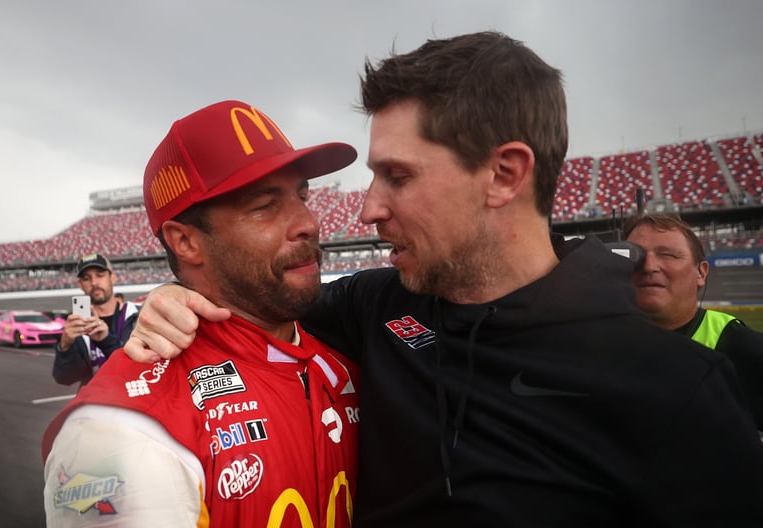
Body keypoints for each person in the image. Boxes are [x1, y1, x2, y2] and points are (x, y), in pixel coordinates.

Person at [125, 32, 763, 526]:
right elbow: (256, 293)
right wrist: (178, 290)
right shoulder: (376, 306)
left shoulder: (675, 392)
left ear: (505, 175)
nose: (368, 208)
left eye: (397, 176)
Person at [42, 100, 360, 526]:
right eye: (265, 205)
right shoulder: (120, 431)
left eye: (302, 194)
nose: (308, 222)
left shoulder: (354, 351)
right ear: (187, 243)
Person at [623, 212, 763, 431]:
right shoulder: (597, 347)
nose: (648, 266)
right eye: (636, 255)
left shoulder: (744, 349)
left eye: (668, 255)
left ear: (701, 272)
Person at [53, 253, 140, 386]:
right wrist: (64, 347)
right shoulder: (76, 325)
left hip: (135, 400)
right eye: (87, 278)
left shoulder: (137, 316)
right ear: (80, 284)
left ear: (113, 278)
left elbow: (141, 368)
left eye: (100, 275)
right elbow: (65, 378)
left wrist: (105, 340)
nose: (94, 283)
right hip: (98, 403)